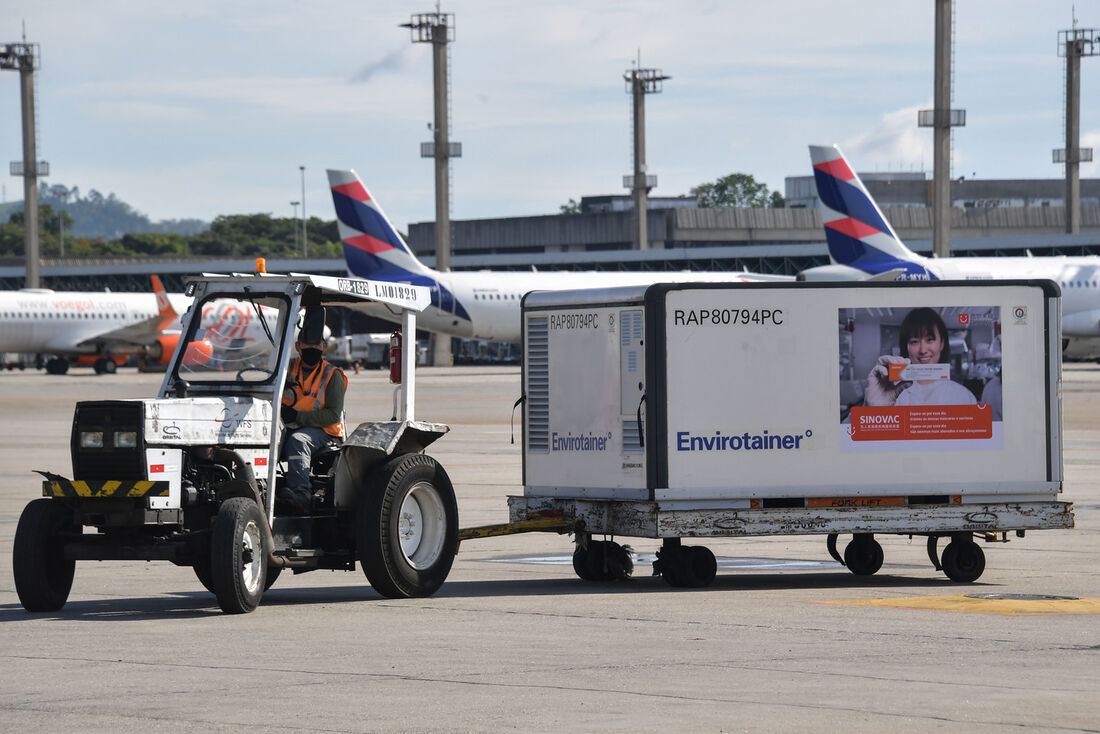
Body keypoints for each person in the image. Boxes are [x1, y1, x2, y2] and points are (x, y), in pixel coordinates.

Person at [277, 307, 347, 514]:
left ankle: (301, 494)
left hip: (325, 431)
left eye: (317, 344)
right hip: (288, 424)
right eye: (307, 344)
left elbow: (333, 415)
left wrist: (297, 417)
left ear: (323, 347)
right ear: (298, 346)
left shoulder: (332, 375)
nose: (312, 348)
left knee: (298, 440)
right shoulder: (286, 369)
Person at [865, 307, 976, 407]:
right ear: (906, 346)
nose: (923, 350)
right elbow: (850, 428)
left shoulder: (964, 397)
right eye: (914, 341)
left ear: (942, 343)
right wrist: (872, 409)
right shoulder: (888, 393)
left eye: (930, 340)